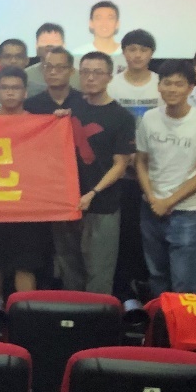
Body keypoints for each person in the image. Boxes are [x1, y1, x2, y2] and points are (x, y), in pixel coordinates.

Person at [50, 52, 136, 295]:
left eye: (97, 72)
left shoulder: (121, 117)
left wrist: (93, 193)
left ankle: (96, 318)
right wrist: (56, 121)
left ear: (110, 76)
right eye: (86, 72)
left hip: (102, 205)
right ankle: (72, 315)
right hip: (68, 203)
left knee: (99, 273)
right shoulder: (72, 108)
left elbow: (120, 165)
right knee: (69, 268)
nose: (90, 78)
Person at [135, 60, 196, 296]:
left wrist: (169, 202)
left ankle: (183, 322)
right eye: (167, 83)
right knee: (156, 276)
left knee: (185, 282)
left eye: (179, 84)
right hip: (151, 208)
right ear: (159, 86)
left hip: (187, 213)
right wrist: (152, 197)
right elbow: (140, 161)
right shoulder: (149, 118)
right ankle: (158, 319)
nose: (172, 89)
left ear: (191, 88)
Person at [0, 67, 49, 301]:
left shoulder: (39, 123)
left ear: (25, 92)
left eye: (15, 88)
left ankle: (25, 310)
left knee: (25, 262)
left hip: (27, 204)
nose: (10, 93)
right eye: (5, 88)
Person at [108, 28, 160, 297]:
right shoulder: (112, 85)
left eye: (143, 50)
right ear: (124, 52)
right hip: (121, 171)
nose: (137, 55)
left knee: (149, 233)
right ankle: (122, 288)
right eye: (132, 49)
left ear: (151, 54)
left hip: (155, 170)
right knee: (124, 231)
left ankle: (147, 285)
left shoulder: (161, 84)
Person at [0, 38, 47, 109]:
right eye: (7, 57)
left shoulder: (42, 91)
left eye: (19, 57)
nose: (13, 61)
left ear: (27, 60)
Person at [24, 47, 85, 115]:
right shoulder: (30, 106)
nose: (52, 72)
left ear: (71, 71)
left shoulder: (84, 102)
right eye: (48, 67)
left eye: (59, 67)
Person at [25, 24, 79, 91]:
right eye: (44, 41)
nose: (49, 45)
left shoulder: (79, 77)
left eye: (55, 41)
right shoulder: (26, 76)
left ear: (64, 46)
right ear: (36, 46)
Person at [81, 0, 123, 69]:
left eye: (110, 18)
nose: (104, 23)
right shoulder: (79, 53)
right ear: (91, 23)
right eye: (99, 18)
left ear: (117, 24)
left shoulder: (126, 54)